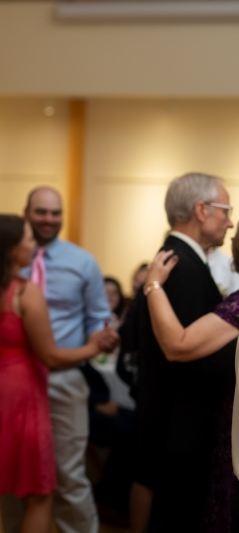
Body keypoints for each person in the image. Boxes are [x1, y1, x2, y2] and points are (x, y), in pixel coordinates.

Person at [0, 214, 114, 533]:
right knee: (39, 494)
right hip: (18, 395)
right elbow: (49, 355)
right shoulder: (25, 292)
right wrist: (94, 348)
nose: (34, 243)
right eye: (28, 238)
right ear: (11, 249)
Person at [0, 186, 113, 533]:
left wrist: (103, 336)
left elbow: (99, 317)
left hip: (64, 379)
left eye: (56, 213)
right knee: (13, 474)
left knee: (69, 473)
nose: (49, 219)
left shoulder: (83, 262)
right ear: (26, 213)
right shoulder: (6, 260)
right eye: (41, 212)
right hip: (14, 382)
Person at [134, 172, 236, 532]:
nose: (229, 220)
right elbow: (183, 348)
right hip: (184, 419)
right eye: (226, 210)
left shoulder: (171, 261)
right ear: (201, 210)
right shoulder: (184, 268)